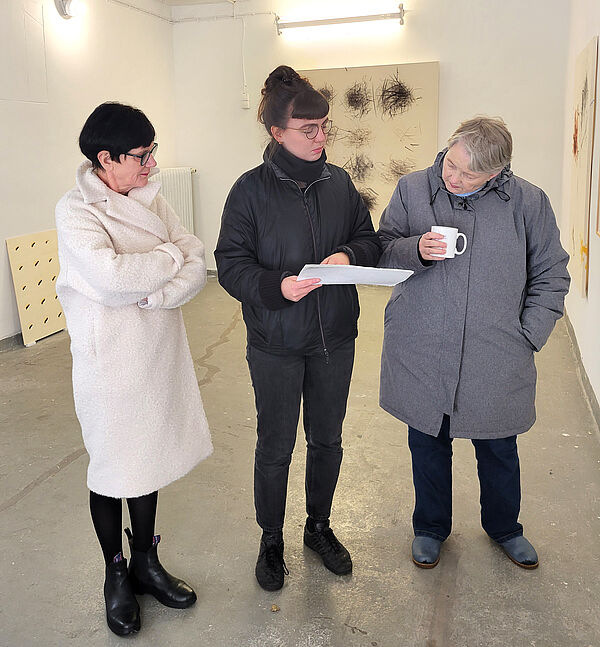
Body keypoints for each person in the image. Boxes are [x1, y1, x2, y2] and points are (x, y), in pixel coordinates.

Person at [215, 65, 381, 591]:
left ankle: (319, 526)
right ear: (276, 132)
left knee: (327, 440)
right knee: (276, 445)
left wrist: (347, 253)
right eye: (308, 129)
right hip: (275, 342)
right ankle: (271, 540)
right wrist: (274, 288)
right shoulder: (249, 191)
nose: (320, 137)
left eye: (324, 126)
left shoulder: (340, 183)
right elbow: (229, 263)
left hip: (335, 337)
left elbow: (368, 238)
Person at [377, 116, 570, 570]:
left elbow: (551, 273)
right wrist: (416, 251)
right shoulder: (412, 189)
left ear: (498, 173)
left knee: (498, 446)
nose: (454, 176)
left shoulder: (528, 202)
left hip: (496, 349)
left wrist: (529, 335)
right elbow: (382, 247)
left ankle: (505, 528)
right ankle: (429, 527)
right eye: (451, 164)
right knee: (426, 440)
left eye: (469, 174)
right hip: (420, 343)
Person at [55, 102, 213, 636]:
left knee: (146, 458)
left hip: (155, 347)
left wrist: (163, 282)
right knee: (111, 464)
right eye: (142, 156)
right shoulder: (76, 211)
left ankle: (145, 561)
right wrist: (168, 259)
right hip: (109, 360)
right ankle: (115, 573)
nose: (151, 166)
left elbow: (196, 256)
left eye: (152, 153)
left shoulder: (150, 197)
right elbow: (109, 277)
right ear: (106, 159)